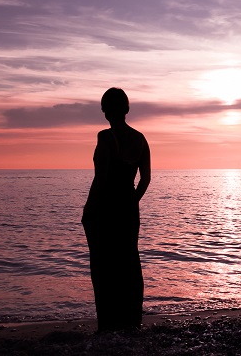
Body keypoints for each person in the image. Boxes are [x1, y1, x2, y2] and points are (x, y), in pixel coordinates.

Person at [81, 87, 151, 332]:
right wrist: (133, 201)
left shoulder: (106, 137)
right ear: (126, 108)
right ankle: (132, 319)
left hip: (105, 207)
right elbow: (145, 179)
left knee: (103, 265)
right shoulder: (140, 138)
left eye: (105, 107)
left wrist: (88, 209)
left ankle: (108, 322)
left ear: (106, 110)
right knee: (129, 261)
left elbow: (100, 179)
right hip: (129, 209)